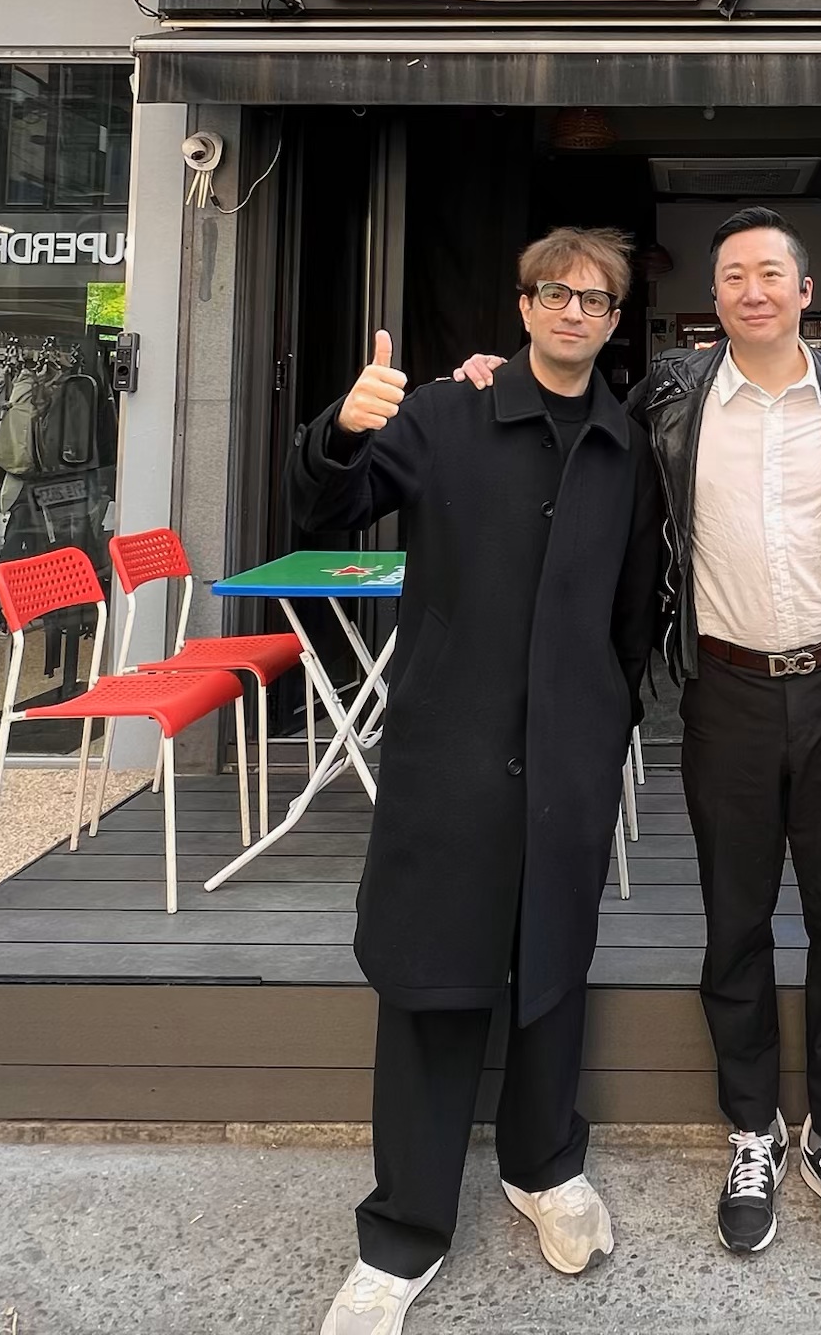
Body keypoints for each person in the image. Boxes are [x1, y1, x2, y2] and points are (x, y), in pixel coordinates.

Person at [460, 207, 821, 1263]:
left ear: (804, 291)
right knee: (734, 921)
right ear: (715, 295)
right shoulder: (670, 390)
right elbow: (578, 434)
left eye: (771, 273)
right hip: (725, 689)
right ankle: (753, 1129)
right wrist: (490, 378)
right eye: (734, 274)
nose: (753, 290)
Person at [292, 227, 661, 1335]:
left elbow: (635, 604)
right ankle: (402, 1232)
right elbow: (329, 509)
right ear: (524, 303)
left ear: (614, 320)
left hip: (569, 757)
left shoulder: (626, 445)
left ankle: (545, 1164)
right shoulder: (448, 414)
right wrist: (339, 428)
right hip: (449, 750)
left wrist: (607, 717)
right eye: (555, 291)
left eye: (595, 298)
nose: (573, 310)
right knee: (430, 978)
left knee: (553, 965)